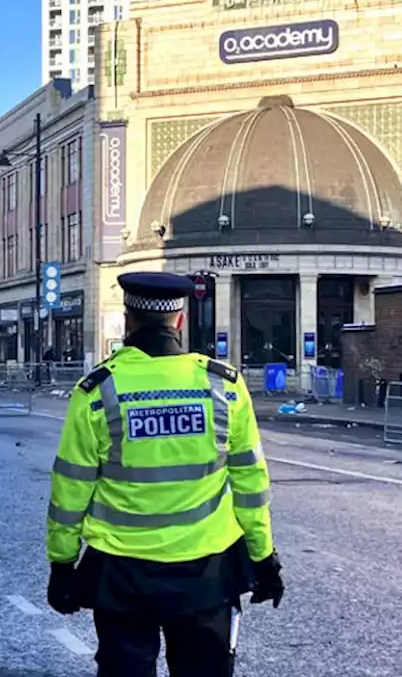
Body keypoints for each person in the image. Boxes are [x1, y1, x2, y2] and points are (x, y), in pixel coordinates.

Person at [44, 272, 284, 677]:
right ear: (180, 320)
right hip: (206, 570)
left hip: (121, 572)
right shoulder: (223, 386)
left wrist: (62, 565)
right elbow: (250, 485)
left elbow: (70, 491)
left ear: (128, 319)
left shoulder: (98, 391)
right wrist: (263, 558)